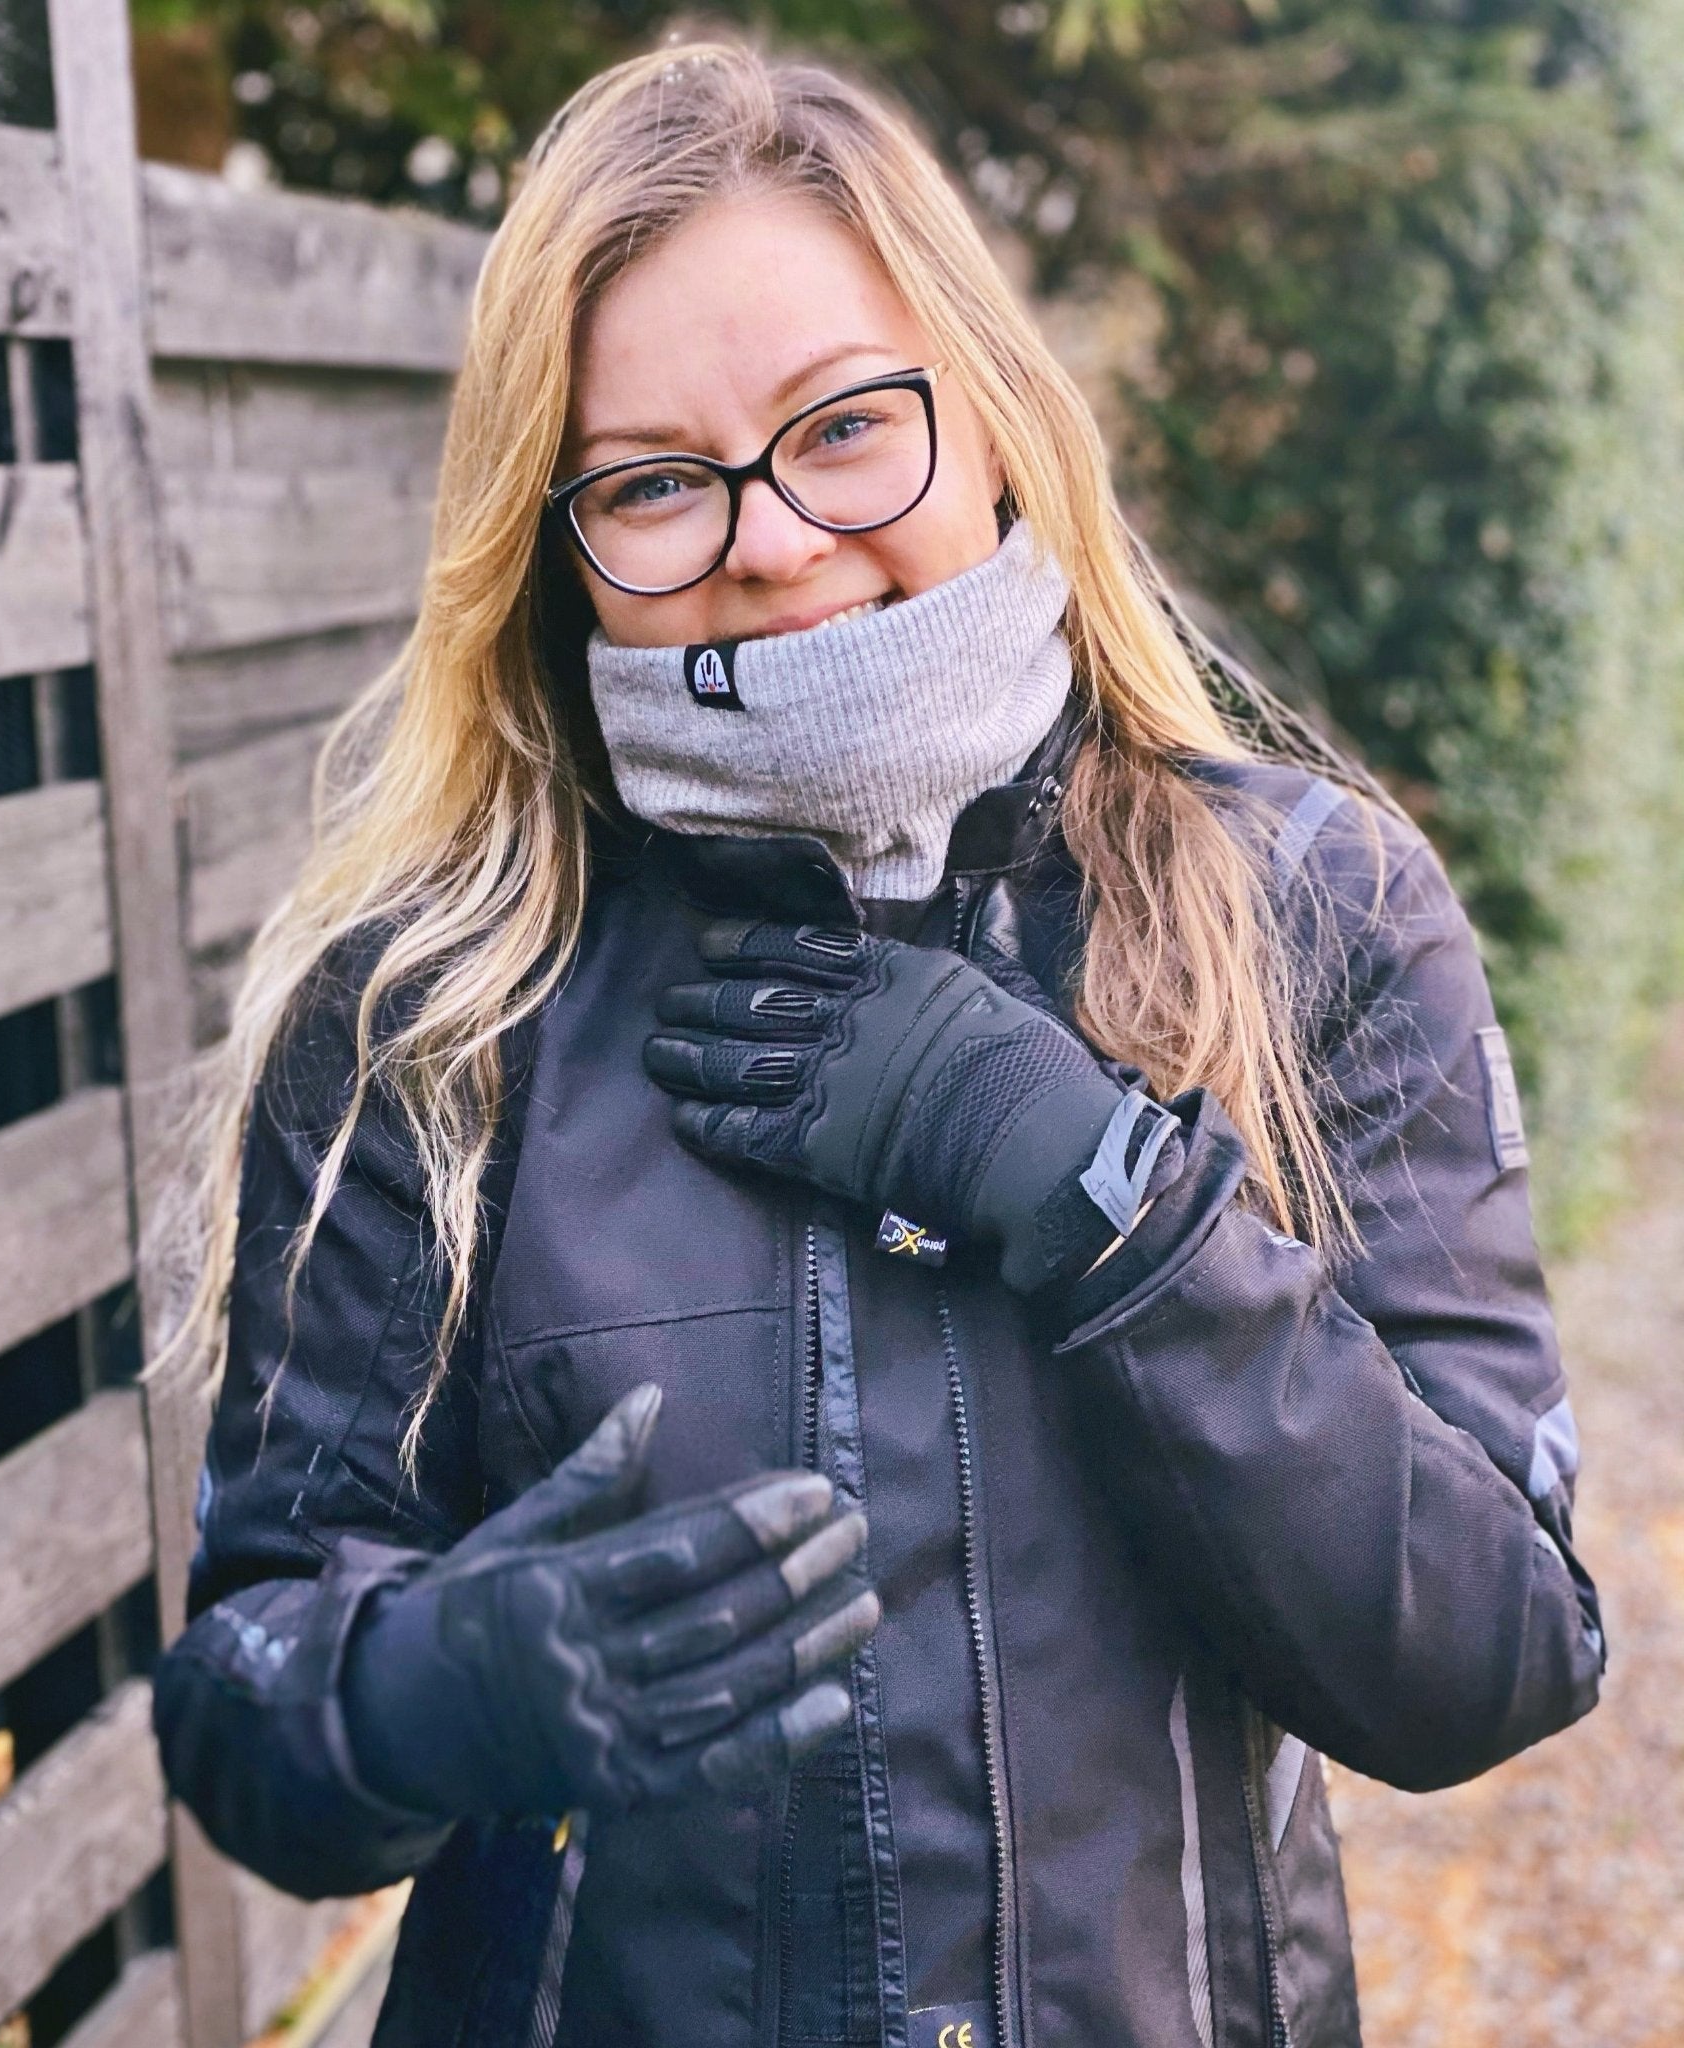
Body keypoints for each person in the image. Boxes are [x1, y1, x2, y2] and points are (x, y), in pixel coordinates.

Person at [149, 40, 1605, 2048]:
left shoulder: (1315, 911)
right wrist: (414, 1685)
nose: (766, 533)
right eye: (652, 478)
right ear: (557, 540)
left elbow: (1491, 1653)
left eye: (844, 427)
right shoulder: (437, 1010)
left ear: (992, 416)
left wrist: (1115, 1211)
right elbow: (245, 1697)